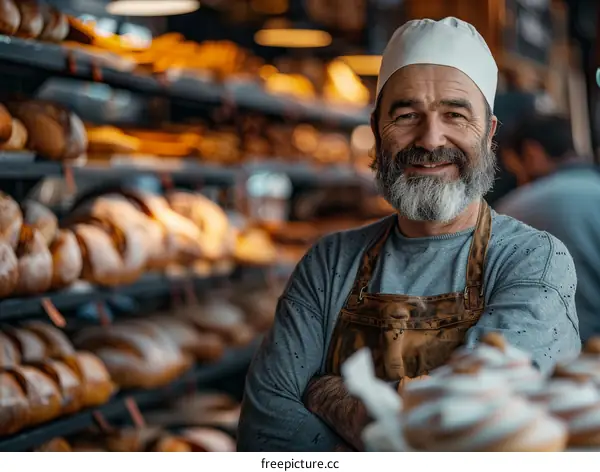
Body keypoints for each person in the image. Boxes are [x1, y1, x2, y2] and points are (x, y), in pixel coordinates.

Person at [237, 17, 581, 452]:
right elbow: (267, 439)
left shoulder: (535, 260)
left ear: (489, 133)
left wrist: (327, 392)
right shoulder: (329, 263)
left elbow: (471, 432)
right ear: (377, 128)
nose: (431, 138)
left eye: (455, 114)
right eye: (406, 114)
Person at [495, 113, 600, 343]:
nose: (518, 179)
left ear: (532, 153)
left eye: (516, 170)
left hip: (557, 356)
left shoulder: (516, 209)